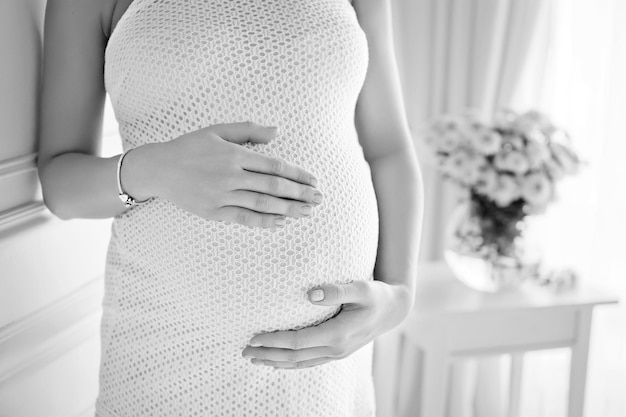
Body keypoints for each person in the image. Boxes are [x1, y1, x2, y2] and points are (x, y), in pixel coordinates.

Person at [38, 0, 424, 415]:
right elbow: (62, 185)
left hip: (330, 363)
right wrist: (154, 168)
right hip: (169, 355)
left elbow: (388, 149)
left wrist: (400, 294)